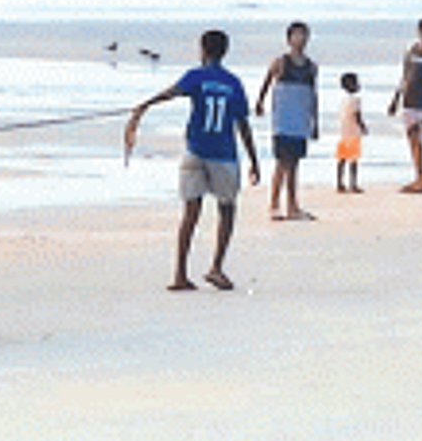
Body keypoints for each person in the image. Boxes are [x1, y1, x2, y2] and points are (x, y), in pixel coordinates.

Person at [124, 29, 260, 292]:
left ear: (203, 50)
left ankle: (179, 274)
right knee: (227, 210)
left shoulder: (195, 77)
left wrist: (144, 105)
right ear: (224, 51)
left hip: (195, 150)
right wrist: (254, 160)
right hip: (223, 154)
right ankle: (216, 267)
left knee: (190, 213)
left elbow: (171, 93)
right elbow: (242, 124)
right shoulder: (233, 83)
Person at [256, 21, 318, 221]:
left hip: (300, 120)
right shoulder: (280, 63)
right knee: (282, 163)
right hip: (283, 119)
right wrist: (260, 102)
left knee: (295, 164)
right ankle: (275, 204)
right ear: (289, 39)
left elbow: (313, 95)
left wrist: (314, 121)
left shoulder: (311, 67)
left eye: (304, 35)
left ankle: (292, 205)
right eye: (296, 35)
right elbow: (267, 82)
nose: (300, 39)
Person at [387, 16, 422, 193]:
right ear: (419, 32)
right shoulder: (411, 52)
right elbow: (405, 77)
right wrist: (395, 99)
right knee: (413, 139)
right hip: (410, 101)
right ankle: (419, 178)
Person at [336, 72, 367, 194]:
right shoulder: (356, 100)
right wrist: (363, 127)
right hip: (353, 133)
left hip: (343, 133)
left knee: (342, 159)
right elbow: (357, 115)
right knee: (353, 160)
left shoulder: (342, 100)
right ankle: (353, 184)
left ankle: (339, 183)